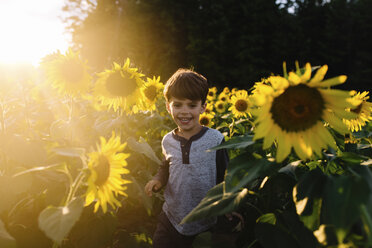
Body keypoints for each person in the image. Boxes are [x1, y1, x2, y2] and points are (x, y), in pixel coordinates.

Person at [144, 68, 230, 248]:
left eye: (191, 105)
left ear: (203, 107)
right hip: (171, 217)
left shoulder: (216, 140)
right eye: (177, 105)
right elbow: (166, 166)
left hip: (205, 220)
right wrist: (157, 180)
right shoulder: (168, 140)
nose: (184, 111)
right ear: (168, 107)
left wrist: (229, 207)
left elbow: (226, 176)